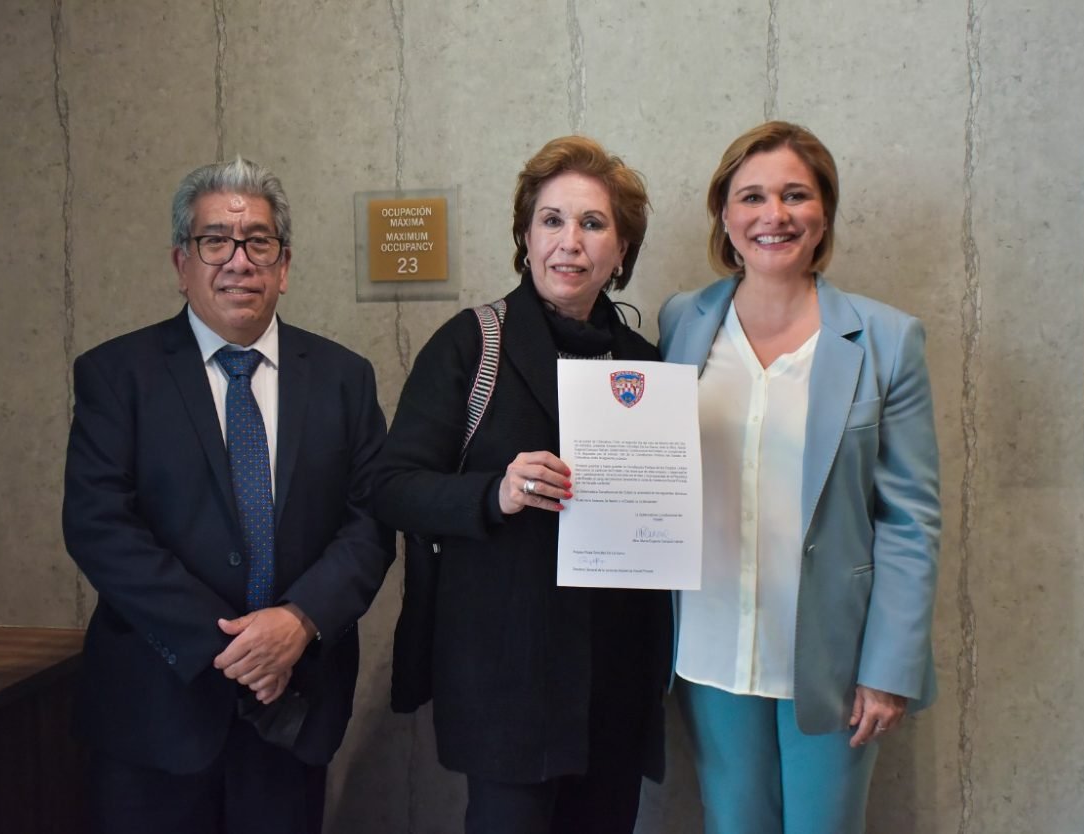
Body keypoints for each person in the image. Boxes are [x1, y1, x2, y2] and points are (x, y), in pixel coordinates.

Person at [62, 157, 394, 834]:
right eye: (215, 241)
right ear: (181, 263)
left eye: (258, 242)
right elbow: (100, 527)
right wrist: (237, 650)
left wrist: (298, 621)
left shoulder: (344, 379)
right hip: (156, 712)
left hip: (293, 705)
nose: (238, 261)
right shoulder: (116, 375)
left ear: (284, 265)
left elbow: (371, 522)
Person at [372, 136, 672, 834]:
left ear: (622, 250)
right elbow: (391, 486)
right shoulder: (472, 344)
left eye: (593, 223)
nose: (570, 242)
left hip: (615, 678)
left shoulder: (647, 366)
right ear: (526, 237)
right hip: (505, 675)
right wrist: (493, 493)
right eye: (552, 220)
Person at [659, 121, 941, 834]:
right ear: (725, 215)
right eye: (752, 196)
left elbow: (910, 520)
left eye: (795, 195)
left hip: (833, 658)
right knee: (732, 823)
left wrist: (890, 668)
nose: (774, 215)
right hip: (708, 644)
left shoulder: (886, 339)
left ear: (824, 212)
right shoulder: (682, 322)